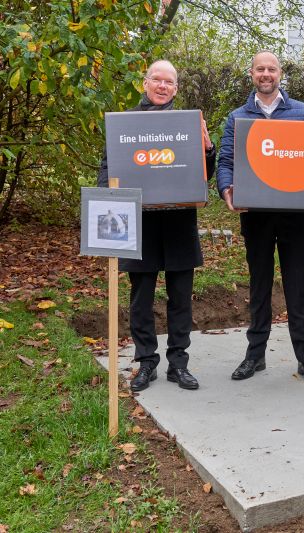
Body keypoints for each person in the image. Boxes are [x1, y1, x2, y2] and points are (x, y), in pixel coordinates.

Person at [98, 60, 217, 392]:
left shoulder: (189, 123)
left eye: (170, 82)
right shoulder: (125, 124)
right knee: (141, 298)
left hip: (179, 223)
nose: (163, 86)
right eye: (157, 80)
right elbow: (107, 170)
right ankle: (146, 362)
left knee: (181, 297)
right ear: (145, 83)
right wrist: (111, 194)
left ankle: (178, 365)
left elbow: (202, 170)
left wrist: (208, 149)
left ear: (176, 88)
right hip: (140, 225)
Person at [216, 51, 304, 385]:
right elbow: (225, 161)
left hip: (294, 216)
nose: (266, 74)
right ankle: (255, 355)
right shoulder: (238, 117)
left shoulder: (302, 112)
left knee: (297, 286)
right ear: (252, 74)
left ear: (280, 74)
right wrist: (227, 190)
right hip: (256, 215)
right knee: (259, 284)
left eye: (272, 69)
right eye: (260, 69)